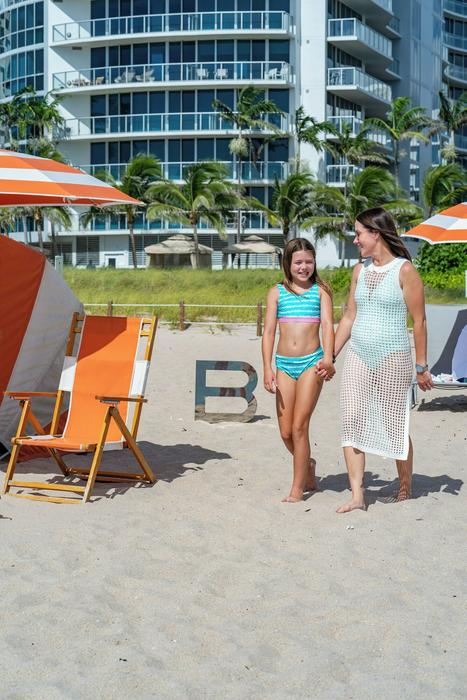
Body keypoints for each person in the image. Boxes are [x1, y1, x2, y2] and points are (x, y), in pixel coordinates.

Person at [318, 207, 433, 513]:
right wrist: (330, 356)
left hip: (393, 356)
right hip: (358, 355)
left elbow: (419, 321)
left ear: (376, 233)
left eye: (359, 234)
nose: (355, 240)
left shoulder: (405, 270)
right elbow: (349, 317)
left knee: (393, 423)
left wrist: (422, 367)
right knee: (351, 420)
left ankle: (405, 485)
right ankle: (358, 495)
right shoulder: (359, 270)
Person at [262, 238, 335, 503]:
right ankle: (308, 464)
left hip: (311, 365)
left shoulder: (321, 291)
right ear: (288, 264)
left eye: (309, 262)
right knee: (285, 432)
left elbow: (328, 327)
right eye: (298, 262)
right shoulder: (276, 292)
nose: (304, 267)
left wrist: (328, 358)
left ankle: (297, 488)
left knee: (299, 427)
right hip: (283, 365)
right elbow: (269, 332)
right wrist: (267, 367)